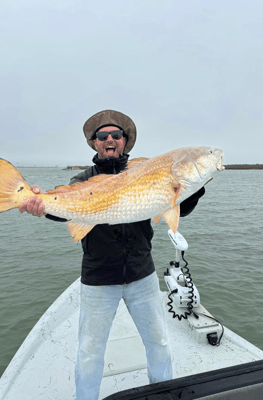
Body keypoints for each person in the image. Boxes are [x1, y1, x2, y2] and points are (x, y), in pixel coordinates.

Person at [19, 109, 205, 400]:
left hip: (141, 275)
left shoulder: (147, 172)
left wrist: (194, 185)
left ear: (124, 141)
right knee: (90, 352)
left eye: (116, 135)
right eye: (102, 136)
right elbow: (66, 210)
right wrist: (40, 205)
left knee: (158, 342)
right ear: (94, 143)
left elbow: (179, 204)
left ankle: (164, 394)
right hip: (98, 278)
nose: (109, 139)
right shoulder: (82, 180)